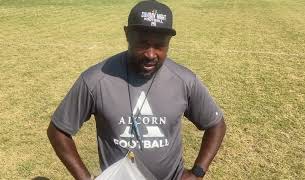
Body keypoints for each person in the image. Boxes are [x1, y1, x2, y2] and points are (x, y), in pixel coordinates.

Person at [47, 0, 226, 180]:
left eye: (159, 46)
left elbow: (216, 124)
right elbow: (58, 130)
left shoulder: (185, 81)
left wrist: (197, 172)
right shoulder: (96, 80)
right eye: (142, 43)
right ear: (127, 34)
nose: (150, 54)